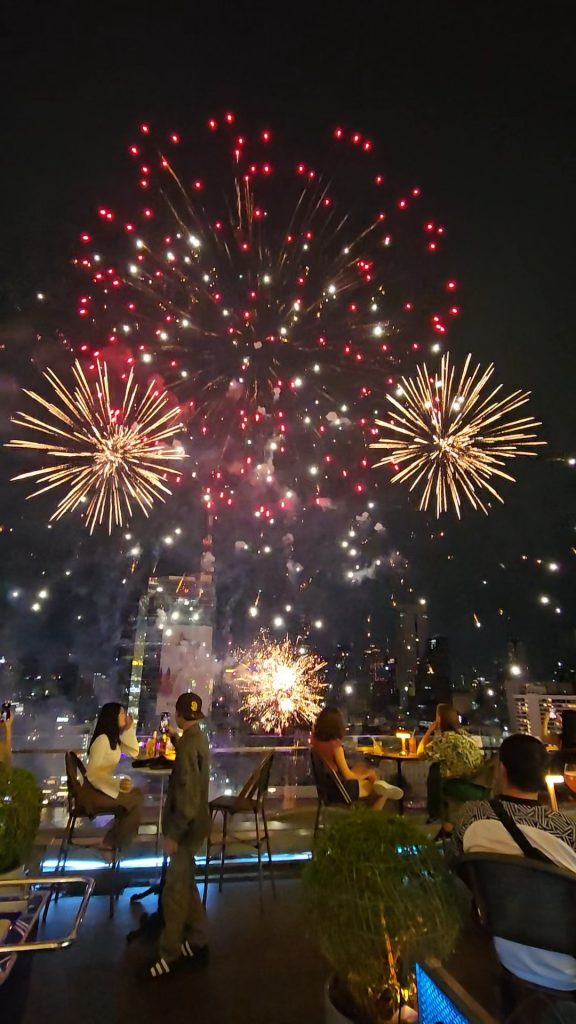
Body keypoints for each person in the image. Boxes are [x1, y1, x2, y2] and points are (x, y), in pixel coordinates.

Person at [452, 733, 576, 995]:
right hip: (568, 966)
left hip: (505, 951)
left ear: (502, 770)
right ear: (544, 776)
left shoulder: (471, 817)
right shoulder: (565, 831)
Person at [150, 691, 210, 979]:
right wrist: (176, 739)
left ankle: (168, 954)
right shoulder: (197, 738)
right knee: (186, 880)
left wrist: (173, 833)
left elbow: (186, 796)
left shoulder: (187, 747)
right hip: (197, 824)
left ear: (178, 714)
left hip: (185, 827)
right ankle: (198, 938)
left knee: (174, 889)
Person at [311, 706, 403, 810]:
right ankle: (373, 816)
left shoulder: (315, 743)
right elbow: (348, 776)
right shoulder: (335, 747)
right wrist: (368, 774)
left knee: (361, 767)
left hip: (328, 787)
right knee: (379, 790)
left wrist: (364, 772)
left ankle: (380, 785)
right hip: (339, 791)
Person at [85, 702, 143, 851]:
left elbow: (134, 751)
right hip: (93, 791)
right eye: (122, 713)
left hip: (104, 787)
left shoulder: (113, 740)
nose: (125, 716)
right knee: (136, 799)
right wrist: (116, 784)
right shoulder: (102, 740)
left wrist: (128, 729)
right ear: (113, 717)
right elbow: (92, 773)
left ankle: (113, 841)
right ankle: (118, 844)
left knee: (136, 796)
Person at [418, 703, 486, 829]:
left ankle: (439, 817)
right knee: (436, 769)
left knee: (435, 772)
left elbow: (420, 753)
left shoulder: (446, 739)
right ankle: (443, 819)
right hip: (478, 782)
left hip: (463, 784)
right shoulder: (464, 735)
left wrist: (429, 730)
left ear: (441, 719)